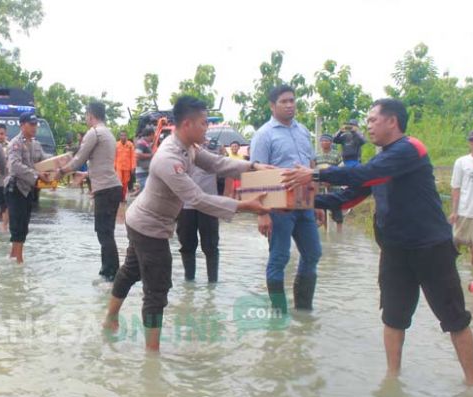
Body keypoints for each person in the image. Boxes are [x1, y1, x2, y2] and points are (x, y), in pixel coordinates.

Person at [282, 98, 473, 385]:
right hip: (395, 250)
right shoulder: (380, 161)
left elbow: (365, 173)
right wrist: (302, 202)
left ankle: (472, 385)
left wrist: (313, 173)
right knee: (393, 317)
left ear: (392, 121)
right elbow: (349, 195)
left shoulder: (411, 149)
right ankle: (392, 380)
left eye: (373, 120)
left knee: (454, 318)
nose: (368, 126)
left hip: (430, 248)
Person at [102, 96, 271, 352]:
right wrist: (247, 206)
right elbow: (197, 199)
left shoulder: (188, 146)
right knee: (157, 289)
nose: (207, 128)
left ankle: (110, 318)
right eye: (204, 123)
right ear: (188, 124)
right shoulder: (169, 158)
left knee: (131, 270)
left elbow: (217, 163)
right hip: (149, 227)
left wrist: (254, 167)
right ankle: (152, 357)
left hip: (139, 219)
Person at [250, 84, 322, 313]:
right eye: (284, 101)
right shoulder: (264, 135)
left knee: (313, 253)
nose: (290, 105)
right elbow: (255, 175)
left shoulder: (302, 131)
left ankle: (303, 310)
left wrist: (317, 202)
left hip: (304, 204)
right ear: (272, 106)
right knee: (279, 258)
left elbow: (311, 168)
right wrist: (262, 214)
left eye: (292, 100)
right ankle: (279, 313)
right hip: (278, 207)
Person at [59, 102, 123, 282]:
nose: (85, 119)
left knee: (104, 232)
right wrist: (86, 174)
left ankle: (111, 274)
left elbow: (79, 158)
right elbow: (102, 163)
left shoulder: (93, 133)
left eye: (86, 115)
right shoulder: (108, 133)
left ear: (90, 115)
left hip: (106, 189)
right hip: (112, 187)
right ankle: (108, 271)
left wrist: (60, 171)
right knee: (106, 231)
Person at [5, 112, 51, 263]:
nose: (34, 127)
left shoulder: (35, 144)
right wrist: (37, 175)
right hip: (16, 188)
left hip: (28, 189)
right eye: (31, 124)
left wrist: (62, 165)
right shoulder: (15, 143)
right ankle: (18, 260)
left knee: (24, 225)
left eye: (35, 124)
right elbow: (14, 166)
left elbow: (46, 161)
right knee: (18, 226)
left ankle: (13, 256)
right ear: (22, 125)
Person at [176, 137, 223, 283]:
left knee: (211, 246)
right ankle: (188, 281)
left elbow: (224, 170)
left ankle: (213, 283)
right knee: (186, 245)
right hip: (185, 205)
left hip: (208, 203)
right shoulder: (179, 147)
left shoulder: (214, 146)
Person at [450, 131, 473, 268]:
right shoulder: (461, 162)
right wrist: (454, 211)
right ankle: (450, 269)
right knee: (456, 241)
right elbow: (456, 187)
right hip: (465, 209)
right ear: (469, 143)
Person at [315, 133, 344, 232]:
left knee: (337, 210)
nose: (324, 143)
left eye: (327, 141)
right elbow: (314, 171)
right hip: (321, 187)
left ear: (331, 142)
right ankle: (325, 231)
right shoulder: (316, 155)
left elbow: (341, 169)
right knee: (322, 211)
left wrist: (332, 181)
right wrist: (321, 181)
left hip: (334, 187)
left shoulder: (337, 154)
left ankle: (339, 233)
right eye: (322, 141)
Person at [114, 130, 136, 201]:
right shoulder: (116, 145)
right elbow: (114, 156)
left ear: (127, 136)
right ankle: (119, 197)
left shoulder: (130, 145)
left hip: (127, 167)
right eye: (121, 135)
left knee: (125, 183)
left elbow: (133, 156)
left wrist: (133, 167)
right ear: (119, 136)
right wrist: (113, 166)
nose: (123, 137)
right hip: (118, 167)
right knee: (119, 182)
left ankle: (123, 198)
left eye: (124, 135)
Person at [134, 127, 154, 195]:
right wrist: (151, 155)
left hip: (146, 172)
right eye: (153, 136)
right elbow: (137, 155)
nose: (153, 138)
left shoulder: (146, 143)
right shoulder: (141, 143)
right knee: (144, 194)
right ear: (151, 134)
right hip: (142, 173)